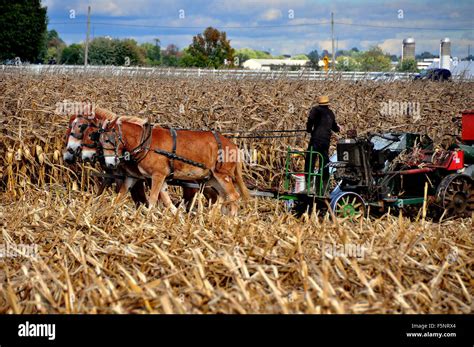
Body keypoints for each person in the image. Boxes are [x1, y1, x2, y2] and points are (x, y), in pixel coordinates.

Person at [305, 95, 340, 192]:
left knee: (310, 160)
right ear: (327, 103)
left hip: (316, 140)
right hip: (325, 142)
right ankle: (324, 186)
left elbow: (310, 121)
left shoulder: (315, 110)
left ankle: (309, 184)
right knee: (324, 162)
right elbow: (335, 127)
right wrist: (338, 129)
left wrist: (308, 130)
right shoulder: (330, 113)